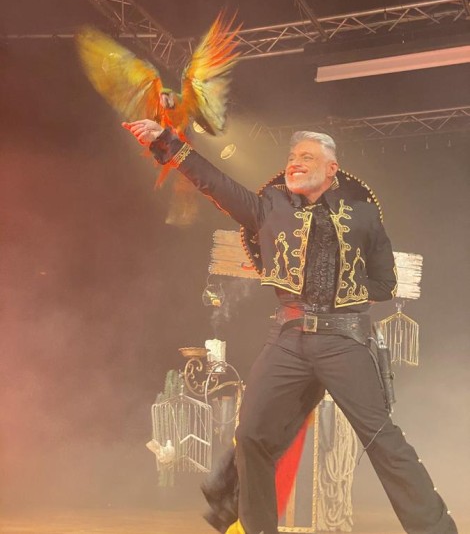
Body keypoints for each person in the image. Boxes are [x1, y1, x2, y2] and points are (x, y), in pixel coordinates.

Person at [123, 119, 458, 534]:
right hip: (288, 339)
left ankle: (437, 529)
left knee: (381, 439)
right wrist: (167, 142)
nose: (295, 163)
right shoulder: (270, 206)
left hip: (345, 340)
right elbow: (214, 183)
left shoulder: (363, 213)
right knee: (251, 437)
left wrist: (348, 297)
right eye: (292, 157)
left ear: (332, 168)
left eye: (307, 157)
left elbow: (385, 281)